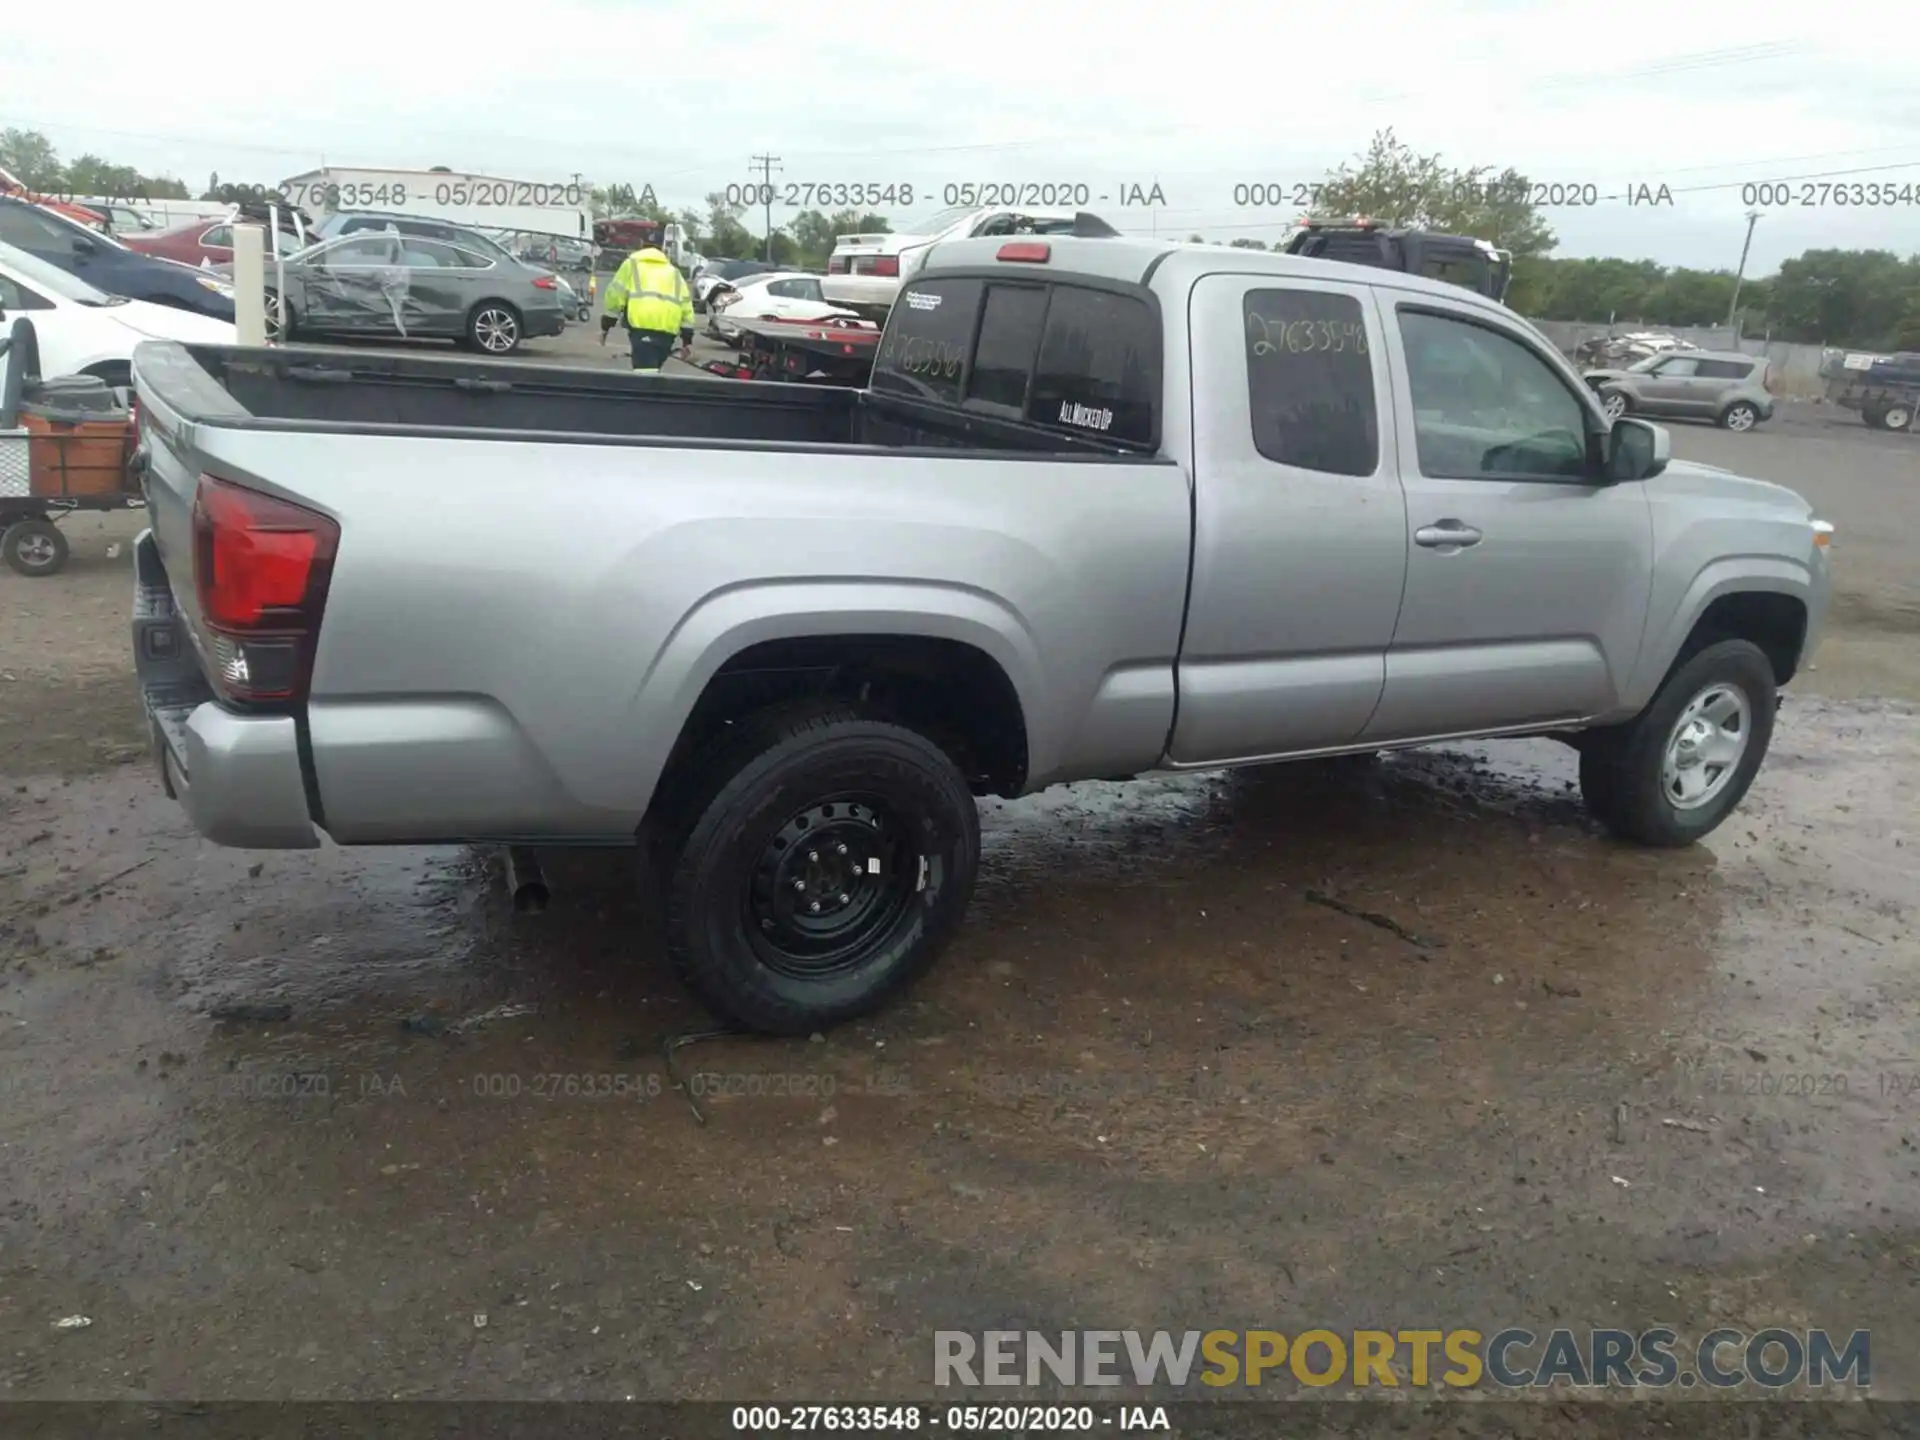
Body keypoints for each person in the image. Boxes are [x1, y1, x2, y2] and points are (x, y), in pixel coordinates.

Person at [599, 242, 695, 373]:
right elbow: (686, 306)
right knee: (652, 372)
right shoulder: (674, 272)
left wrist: (606, 326)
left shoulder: (631, 265)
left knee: (645, 376)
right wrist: (686, 340)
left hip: (642, 326)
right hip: (668, 332)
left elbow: (615, 296)